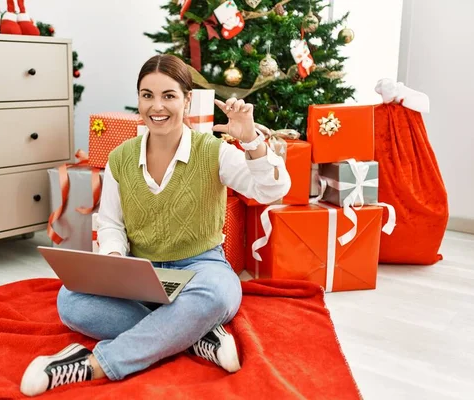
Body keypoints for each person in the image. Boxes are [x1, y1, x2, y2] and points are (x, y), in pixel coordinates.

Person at [20, 54, 291, 396]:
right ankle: (195, 335)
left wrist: (251, 139)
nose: (157, 106)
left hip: (200, 267)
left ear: (187, 100)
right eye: (147, 95)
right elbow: (110, 223)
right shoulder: (121, 156)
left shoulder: (214, 151)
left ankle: (93, 365)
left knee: (219, 295)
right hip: (141, 273)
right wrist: (115, 258)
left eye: (169, 95)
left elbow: (272, 190)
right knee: (70, 301)